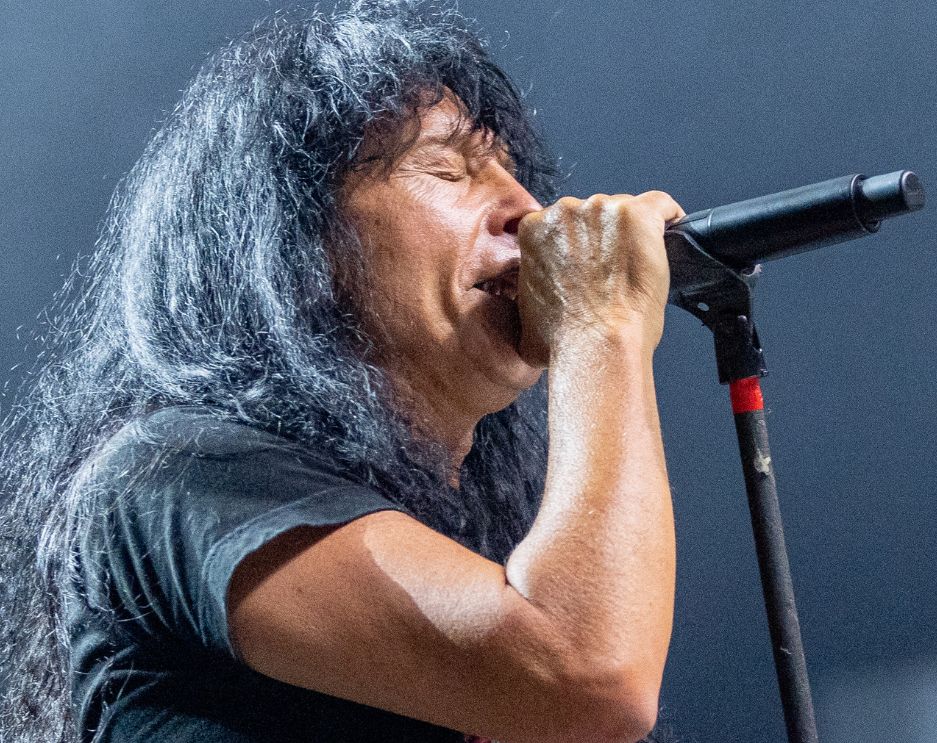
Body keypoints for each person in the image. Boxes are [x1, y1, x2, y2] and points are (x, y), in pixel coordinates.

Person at [0, 2, 684, 741]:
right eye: (448, 168)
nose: (528, 211)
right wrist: (599, 325)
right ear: (297, 254)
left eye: (514, 176)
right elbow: (584, 675)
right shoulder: (177, 471)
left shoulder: (488, 545)